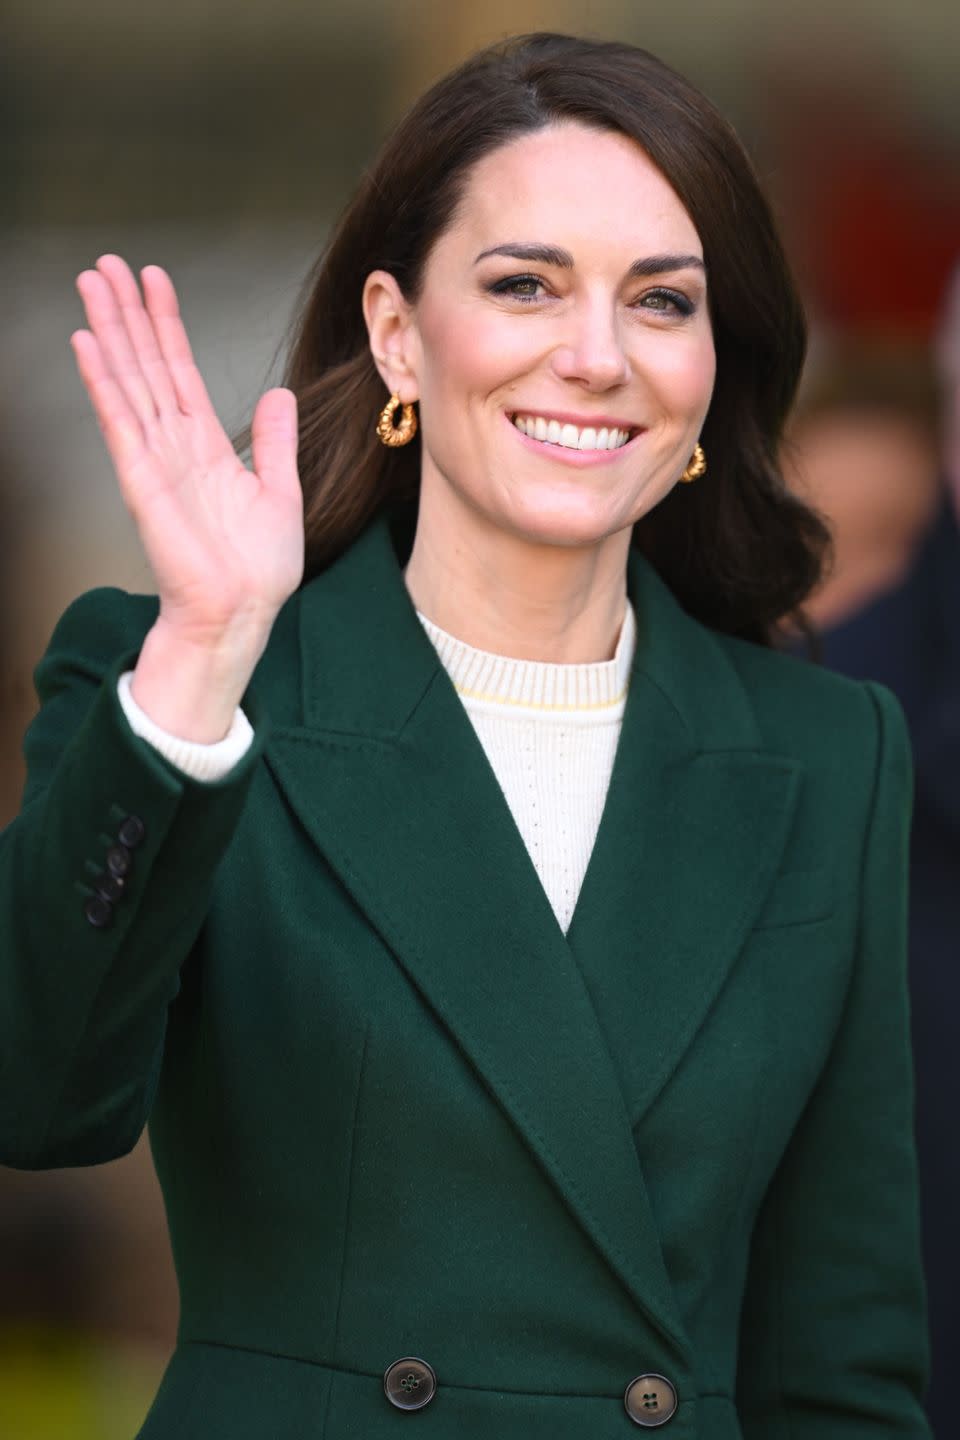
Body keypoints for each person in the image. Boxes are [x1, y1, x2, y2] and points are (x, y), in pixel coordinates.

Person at [0, 33, 931, 1440]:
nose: (598, 355)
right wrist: (199, 657)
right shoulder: (195, 680)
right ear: (395, 331)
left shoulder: (829, 753)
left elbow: (842, 1361)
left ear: (710, 365)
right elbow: (37, 1093)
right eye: (524, 285)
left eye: (662, 301)